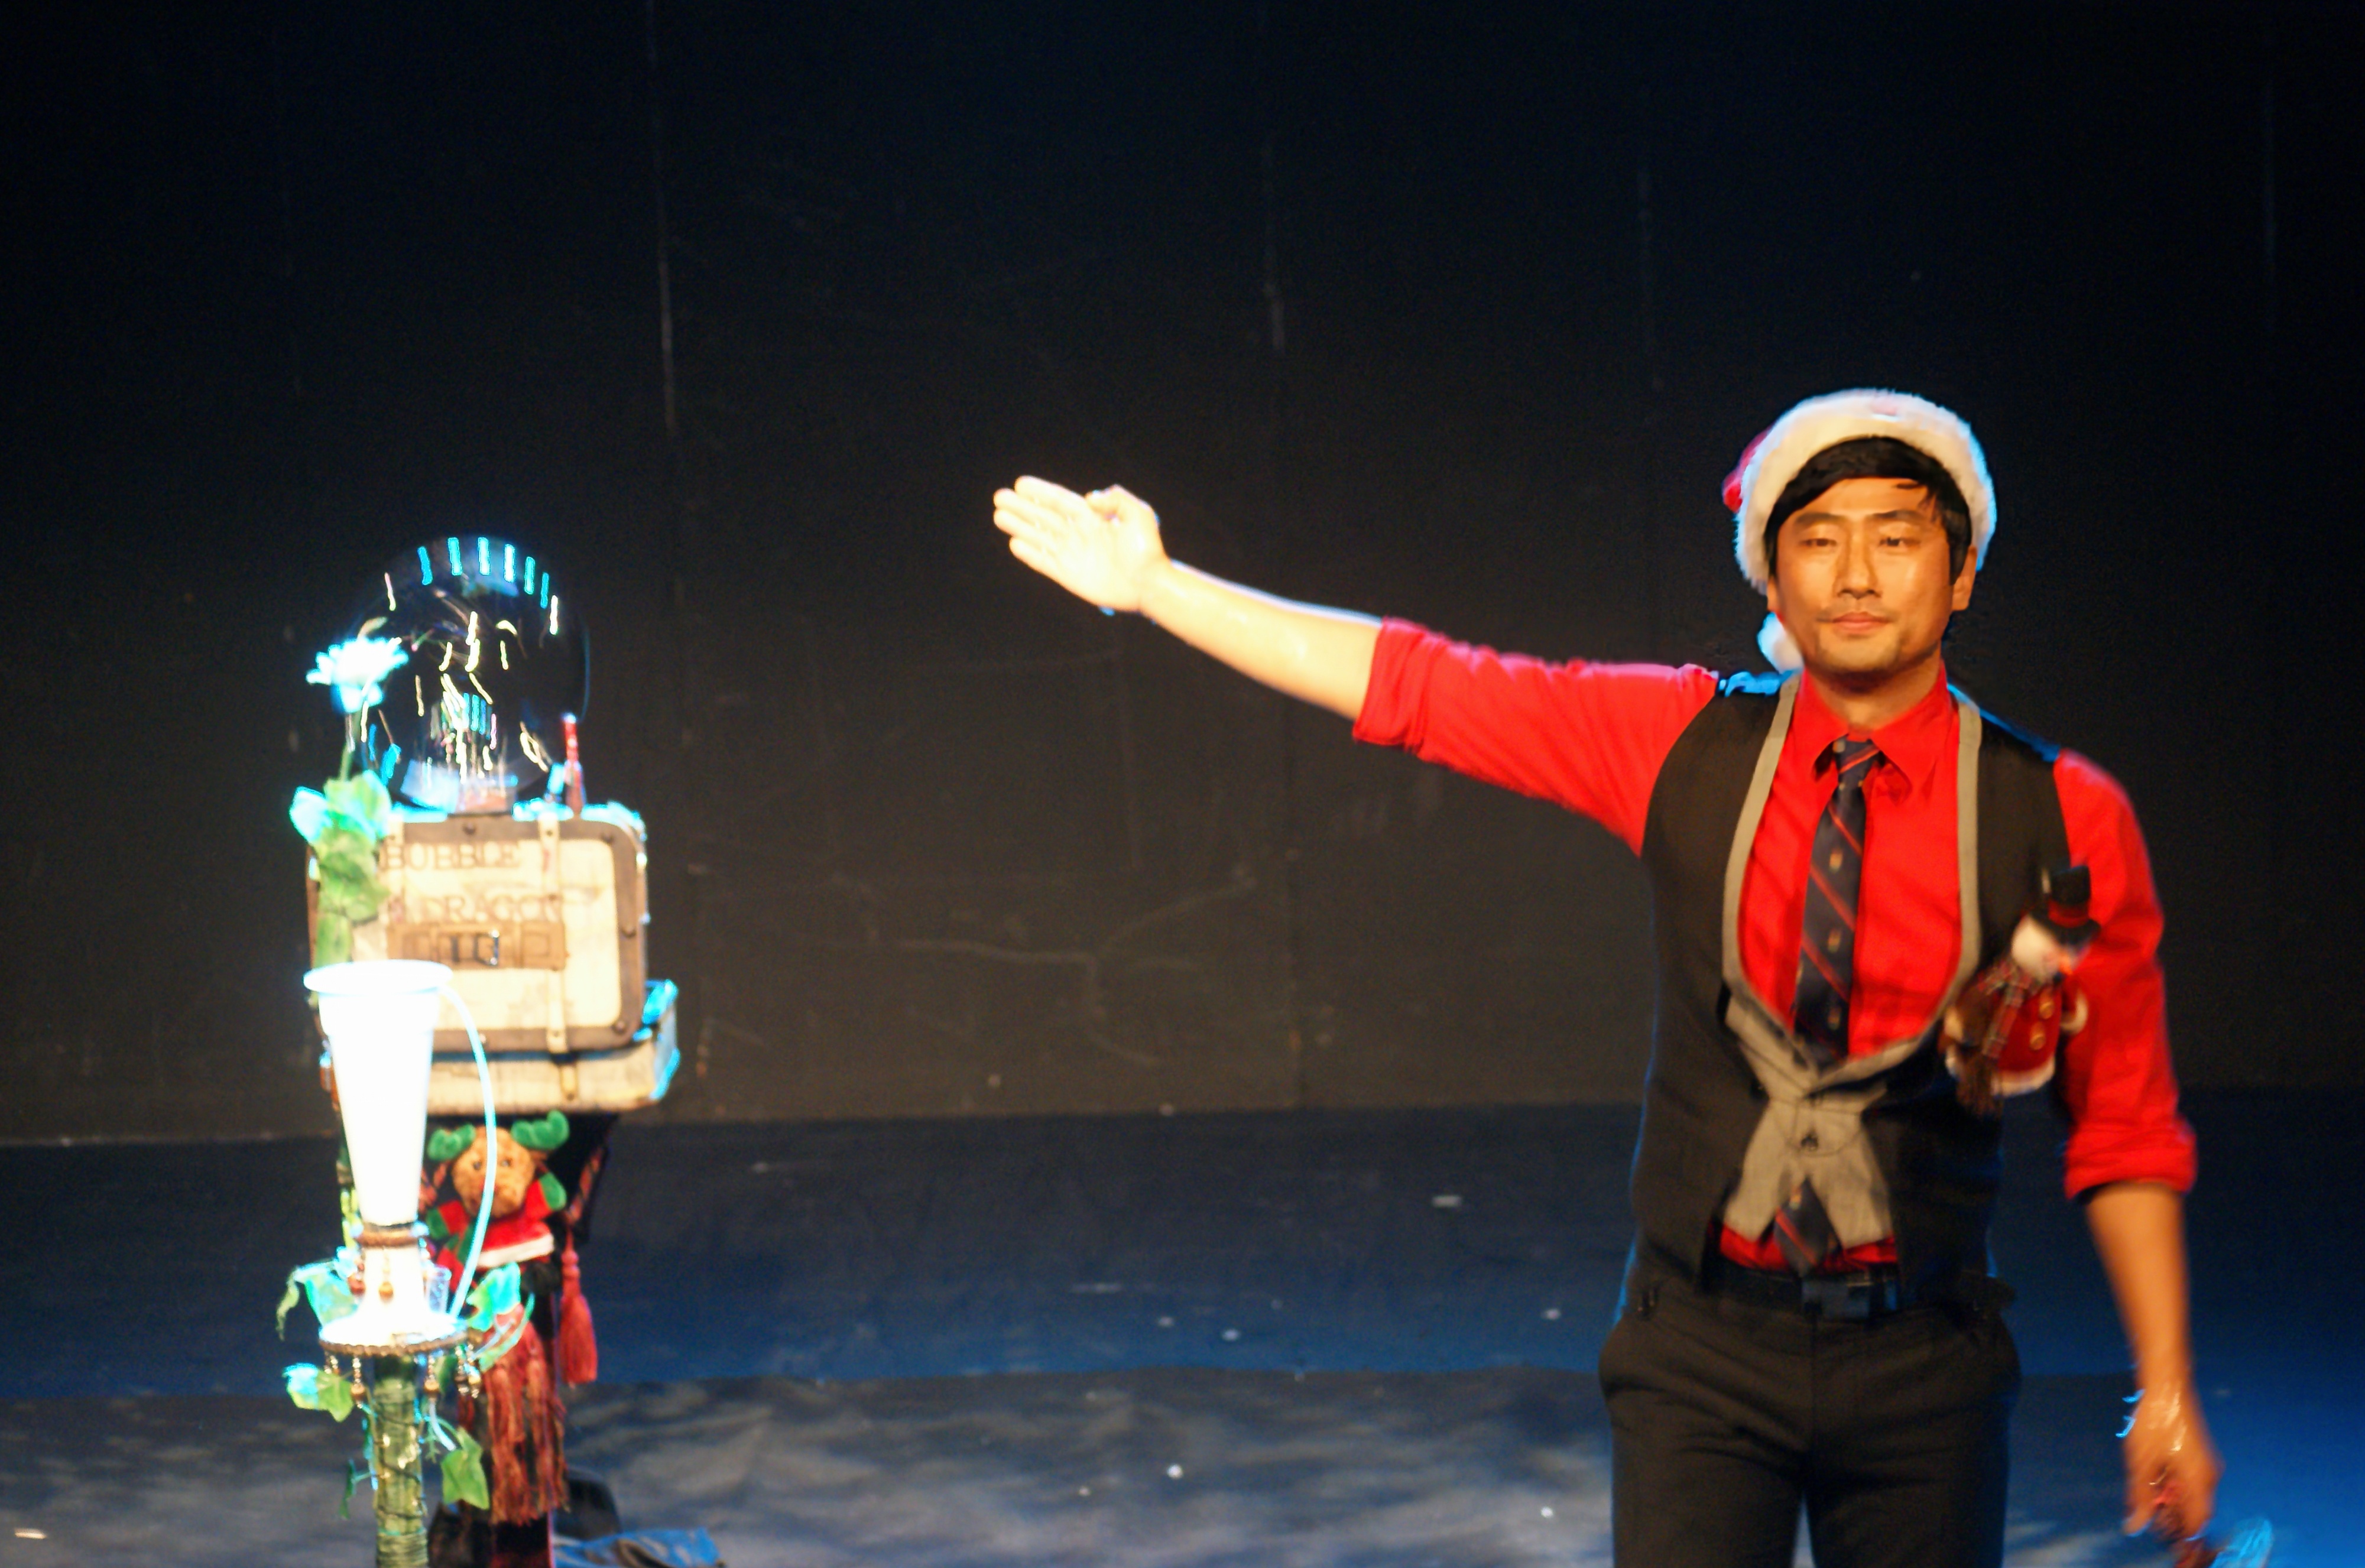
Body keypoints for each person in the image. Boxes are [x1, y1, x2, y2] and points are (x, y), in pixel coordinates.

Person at [991, 388, 2218, 1568]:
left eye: (1896, 539)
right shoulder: (1678, 740)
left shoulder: (2062, 814)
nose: (1855, 575)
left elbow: (2124, 1124)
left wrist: (2165, 1387)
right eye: (1818, 541)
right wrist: (1156, 586)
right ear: (1771, 580)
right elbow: (1422, 686)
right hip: (1700, 1351)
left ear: (1960, 574)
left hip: (1924, 1362)